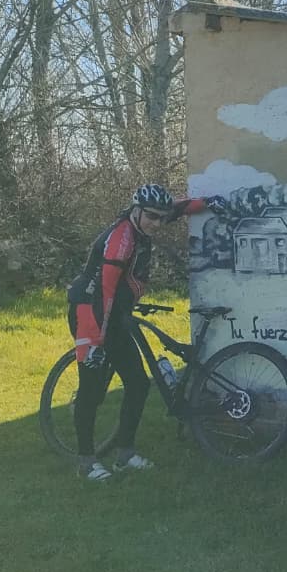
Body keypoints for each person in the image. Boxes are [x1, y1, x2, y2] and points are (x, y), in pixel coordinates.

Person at [66, 184, 227, 481]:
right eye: (152, 216)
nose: (157, 222)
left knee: (138, 384)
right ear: (136, 210)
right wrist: (97, 342)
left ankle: (125, 454)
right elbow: (105, 291)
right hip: (91, 312)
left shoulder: (144, 224)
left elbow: (178, 208)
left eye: (160, 218)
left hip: (115, 315)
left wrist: (208, 202)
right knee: (91, 390)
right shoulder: (122, 239)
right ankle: (86, 463)